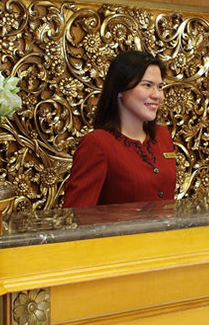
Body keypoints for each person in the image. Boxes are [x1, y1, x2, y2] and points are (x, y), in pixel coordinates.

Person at [64, 50, 177, 208]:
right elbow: (77, 212)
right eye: (147, 85)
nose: (157, 95)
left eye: (160, 87)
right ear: (120, 89)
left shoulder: (162, 136)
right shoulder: (98, 143)